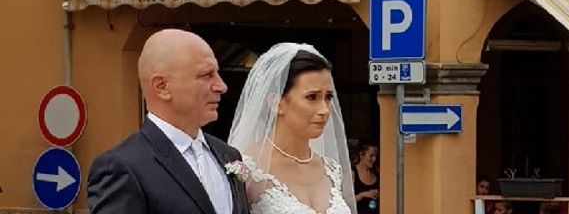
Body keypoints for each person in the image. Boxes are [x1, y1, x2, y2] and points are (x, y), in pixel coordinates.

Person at [87, 29, 250, 214]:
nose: (221, 86)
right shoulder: (124, 167)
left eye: (217, 74)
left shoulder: (228, 155)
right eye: (206, 75)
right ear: (161, 87)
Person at [228, 42, 356, 213]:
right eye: (312, 97)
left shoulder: (332, 170)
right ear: (276, 103)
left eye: (328, 97)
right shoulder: (247, 169)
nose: (324, 110)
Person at [353, 140, 379, 214]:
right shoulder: (353, 173)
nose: (374, 159)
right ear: (361, 154)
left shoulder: (377, 171)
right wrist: (363, 195)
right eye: (371, 156)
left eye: (376, 156)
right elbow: (346, 201)